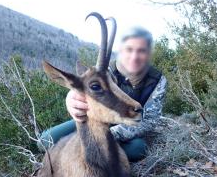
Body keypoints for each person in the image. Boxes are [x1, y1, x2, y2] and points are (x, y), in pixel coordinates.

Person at [38, 27, 167, 162]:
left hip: (128, 126)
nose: (134, 56)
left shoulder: (157, 80)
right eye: (129, 49)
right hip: (97, 121)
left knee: (138, 149)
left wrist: (107, 135)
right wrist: (71, 98)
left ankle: (88, 149)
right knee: (46, 140)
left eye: (141, 51)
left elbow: (150, 121)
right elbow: (86, 85)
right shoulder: (106, 69)